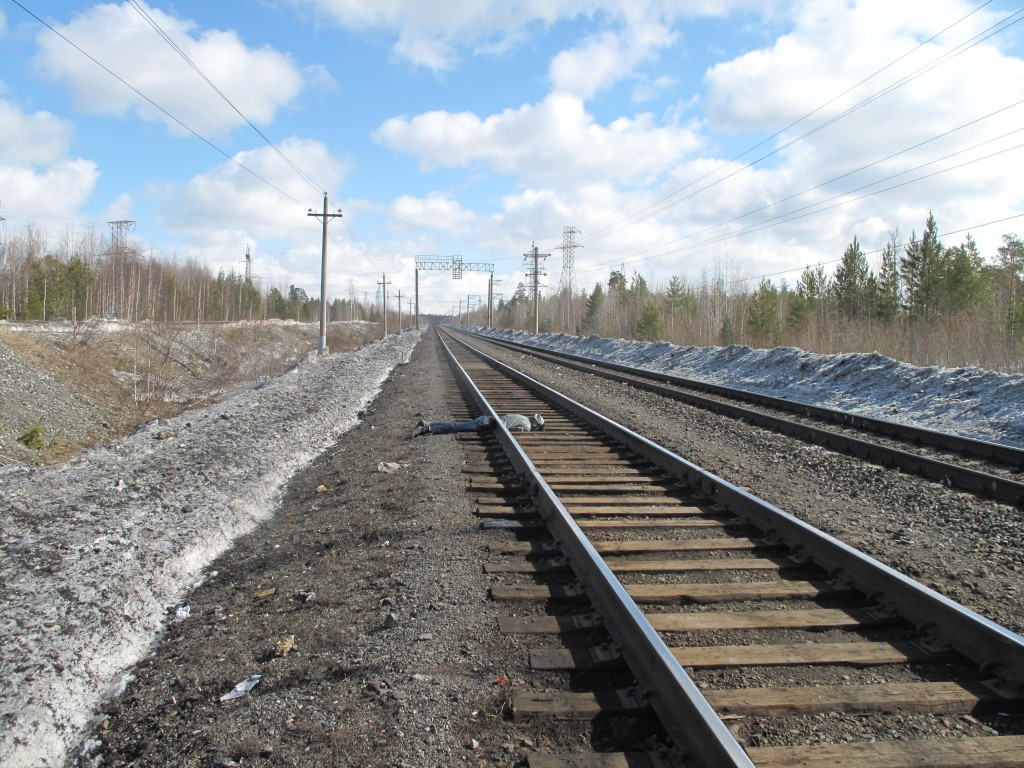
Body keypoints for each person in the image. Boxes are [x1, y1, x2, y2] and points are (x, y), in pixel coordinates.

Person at [412, 413, 544, 437]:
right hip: (486, 423)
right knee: (458, 427)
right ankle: (426, 428)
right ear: (536, 425)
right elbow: (511, 431)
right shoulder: (527, 427)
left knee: (458, 425)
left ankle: (428, 424)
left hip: (487, 418)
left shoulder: (522, 417)